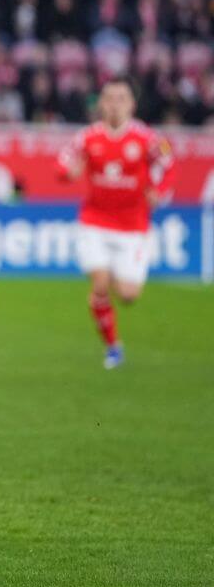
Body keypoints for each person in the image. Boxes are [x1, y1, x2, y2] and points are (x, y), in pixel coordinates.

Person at [57, 79, 174, 369]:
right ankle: (113, 347)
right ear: (101, 104)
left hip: (133, 226)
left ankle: (108, 304)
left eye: (121, 98)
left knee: (128, 295)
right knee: (100, 284)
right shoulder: (87, 137)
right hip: (94, 221)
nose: (114, 103)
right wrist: (67, 172)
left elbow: (169, 166)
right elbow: (62, 163)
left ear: (131, 104)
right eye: (108, 98)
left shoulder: (147, 139)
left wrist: (159, 192)